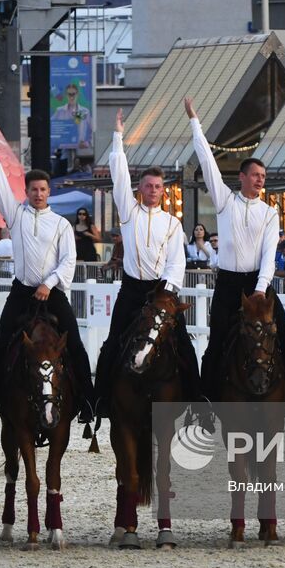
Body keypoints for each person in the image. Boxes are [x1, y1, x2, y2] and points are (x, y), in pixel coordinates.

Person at [186, 96, 285, 401]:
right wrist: (195, 123)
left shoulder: (269, 212)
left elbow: (268, 254)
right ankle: (206, 402)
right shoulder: (225, 202)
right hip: (229, 283)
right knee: (217, 341)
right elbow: (208, 164)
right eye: (255, 175)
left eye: (263, 177)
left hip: (258, 284)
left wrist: (262, 288)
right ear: (243, 177)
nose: (260, 180)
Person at [0, 126, 94, 425]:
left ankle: (88, 403)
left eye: (43, 190)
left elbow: (69, 259)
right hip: (22, 292)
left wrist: (49, 283)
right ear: (26, 191)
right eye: (34, 190)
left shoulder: (60, 224)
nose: (39, 194)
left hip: (52, 293)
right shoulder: (16, 215)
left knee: (75, 345)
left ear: (49, 191)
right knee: (1, 343)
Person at [92, 110, 201, 418]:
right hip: (132, 288)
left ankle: (197, 405)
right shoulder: (129, 211)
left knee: (184, 344)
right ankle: (98, 401)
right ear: (140, 189)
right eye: (148, 186)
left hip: (162, 293)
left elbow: (176, 262)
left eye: (158, 187)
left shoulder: (172, 222)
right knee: (114, 342)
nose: (153, 191)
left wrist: (167, 291)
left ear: (163, 190)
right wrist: (117, 137)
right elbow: (119, 173)